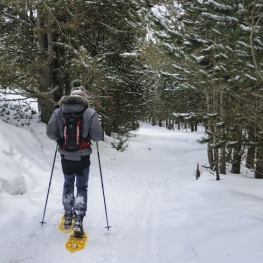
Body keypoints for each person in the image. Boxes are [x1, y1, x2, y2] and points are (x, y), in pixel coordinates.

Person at [46, 79, 102, 236]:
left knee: (68, 184)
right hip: (83, 158)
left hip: (66, 158)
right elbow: (97, 136)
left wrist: (59, 139)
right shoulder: (90, 113)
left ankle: (68, 214)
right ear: (84, 97)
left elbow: (50, 132)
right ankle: (78, 218)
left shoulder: (58, 111)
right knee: (82, 187)